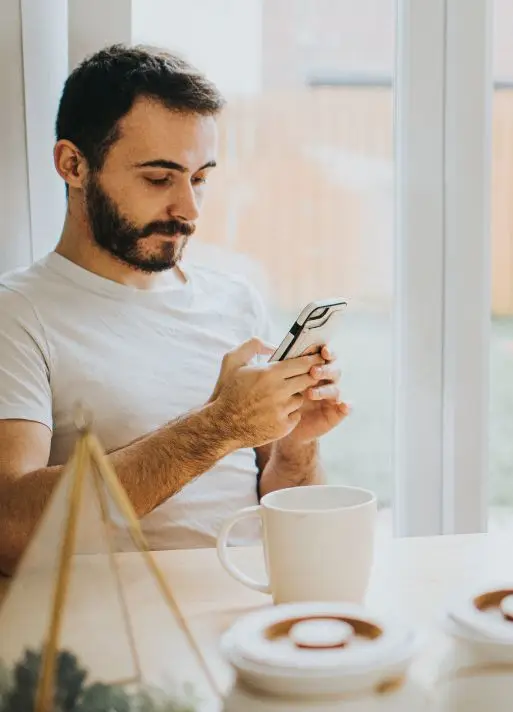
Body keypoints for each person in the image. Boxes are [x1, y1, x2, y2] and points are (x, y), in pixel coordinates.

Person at [0, 45, 351, 574]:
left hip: (251, 611)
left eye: (200, 178)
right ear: (73, 165)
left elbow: (288, 515)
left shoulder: (235, 301)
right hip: (122, 638)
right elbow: (10, 532)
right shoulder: (19, 315)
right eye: (159, 179)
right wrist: (219, 426)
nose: (188, 209)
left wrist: (295, 447)